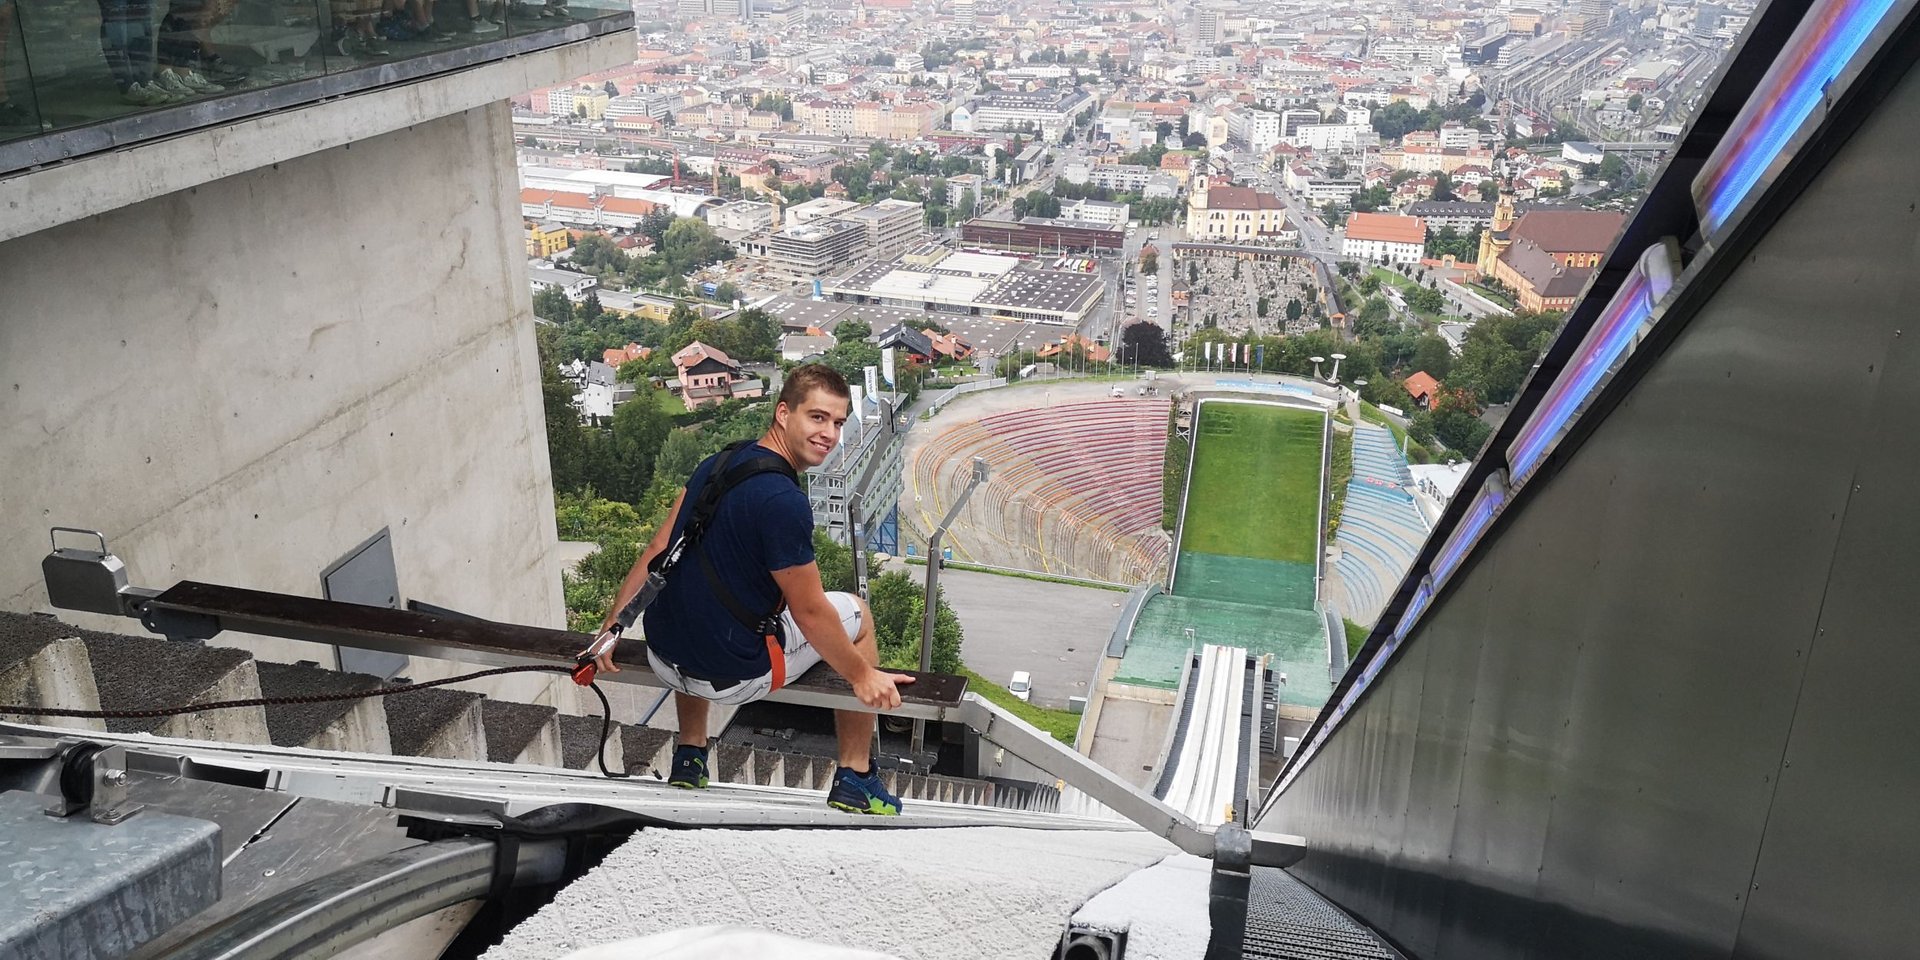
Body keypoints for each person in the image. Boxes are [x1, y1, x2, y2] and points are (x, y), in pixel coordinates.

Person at [589, 364, 915, 815]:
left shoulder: (718, 463)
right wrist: (863, 677)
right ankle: (856, 776)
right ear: (784, 413)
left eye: (838, 422)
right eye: (817, 417)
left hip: (665, 656)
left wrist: (614, 624)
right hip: (733, 678)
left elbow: (659, 548)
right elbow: (810, 613)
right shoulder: (783, 502)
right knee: (857, 613)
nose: (830, 434)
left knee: (697, 586)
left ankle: (690, 755)